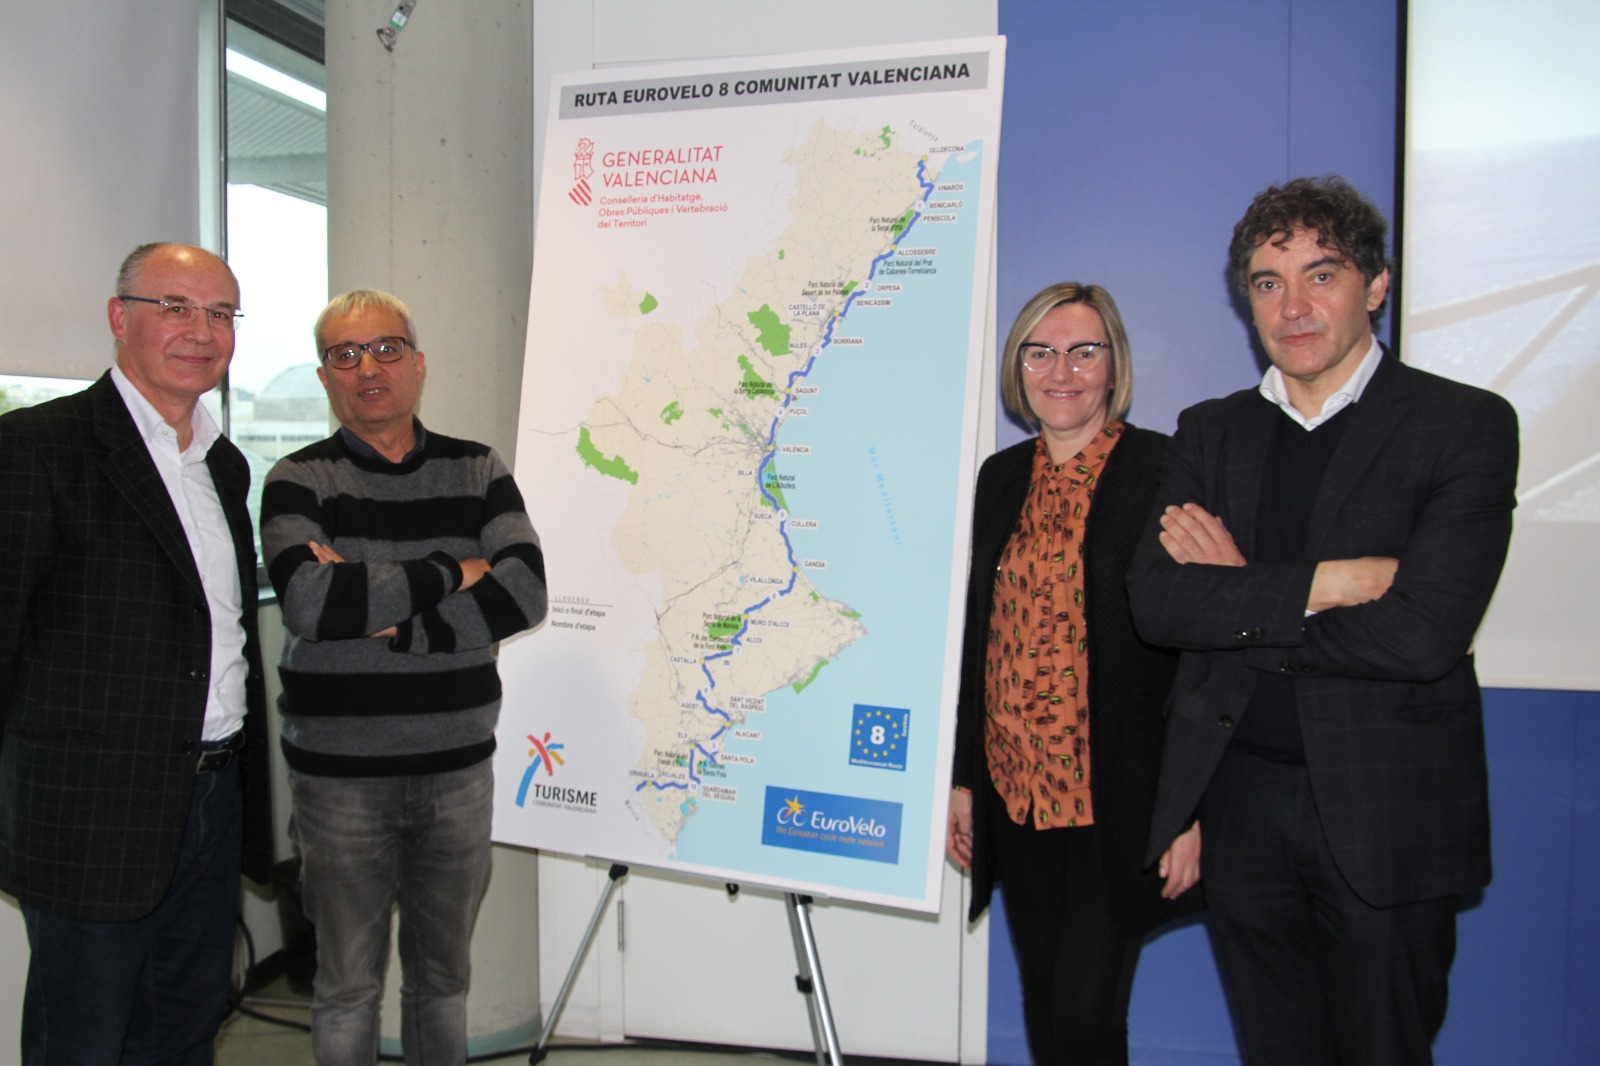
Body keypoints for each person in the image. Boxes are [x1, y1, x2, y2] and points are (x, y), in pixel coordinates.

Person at [1130, 176, 1519, 1065]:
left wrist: (1241, 597)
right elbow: (1158, 602)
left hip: (1388, 812)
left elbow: (1420, 636)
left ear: (1375, 286)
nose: (1293, 307)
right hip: (1241, 806)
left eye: (1322, 275)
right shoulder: (1211, 431)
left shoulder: (1463, 425)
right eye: (1268, 283)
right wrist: (1331, 583)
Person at [0, 242, 273, 1063]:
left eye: (220, 313)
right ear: (121, 318)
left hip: (212, 800)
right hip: (90, 818)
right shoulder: (38, 447)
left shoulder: (224, 465)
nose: (201, 332)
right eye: (175, 308)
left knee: (184, 1036)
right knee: (80, 1044)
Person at [260, 289, 548, 1063]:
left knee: (443, 982)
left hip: (458, 771)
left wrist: (398, 621)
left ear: (418, 364)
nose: (368, 369)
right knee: (347, 987)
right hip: (339, 780)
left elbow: (525, 592)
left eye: (386, 349)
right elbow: (313, 605)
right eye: (345, 354)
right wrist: (454, 567)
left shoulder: (477, 467)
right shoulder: (296, 479)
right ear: (325, 376)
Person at [946, 282, 1201, 1065]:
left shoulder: (1163, 469)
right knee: (1044, 999)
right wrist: (965, 778)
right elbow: (981, 636)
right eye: (1041, 352)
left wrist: (1189, 809)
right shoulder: (1001, 476)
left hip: (1116, 798)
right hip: (1016, 789)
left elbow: (1200, 652)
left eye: (1084, 351)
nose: (1062, 371)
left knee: (1086, 1013)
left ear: (1113, 364)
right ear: (1017, 366)